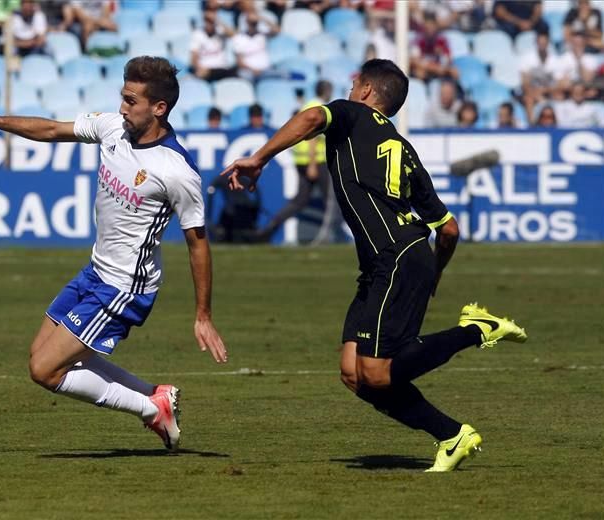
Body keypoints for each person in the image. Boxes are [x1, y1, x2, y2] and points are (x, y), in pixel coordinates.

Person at [220, 59, 528, 472]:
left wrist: (259, 158)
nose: (349, 88)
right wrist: (433, 273)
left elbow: (313, 115)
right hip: (392, 261)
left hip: (395, 256)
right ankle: (453, 435)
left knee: (378, 374)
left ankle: (476, 330)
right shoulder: (404, 150)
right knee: (354, 374)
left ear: (367, 92)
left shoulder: (350, 115)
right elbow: (449, 229)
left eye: (355, 83)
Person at [0, 56, 228, 451]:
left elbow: (198, 243)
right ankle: (156, 396)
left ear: (159, 108)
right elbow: (50, 129)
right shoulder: (113, 128)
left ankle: (151, 410)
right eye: (123, 97)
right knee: (41, 354)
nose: (122, 107)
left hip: (125, 287)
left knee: (45, 370)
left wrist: (203, 315)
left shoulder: (176, 171)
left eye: (132, 101)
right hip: (96, 270)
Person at [255, 80, 332, 242]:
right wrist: (312, 164)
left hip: (301, 159)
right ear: (326, 91)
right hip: (315, 161)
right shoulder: (319, 108)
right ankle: (335, 236)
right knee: (331, 201)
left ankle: (270, 227)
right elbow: (313, 138)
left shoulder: (307, 105)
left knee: (300, 201)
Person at [190, 8, 237, 81]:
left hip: (222, 68)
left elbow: (234, 35)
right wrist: (199, 68)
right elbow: (194, 58)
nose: (209, 23)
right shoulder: (198, 34)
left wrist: (218, 20)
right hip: (206, 69)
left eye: (211, 21)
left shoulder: (220, 31)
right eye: (207, 21)